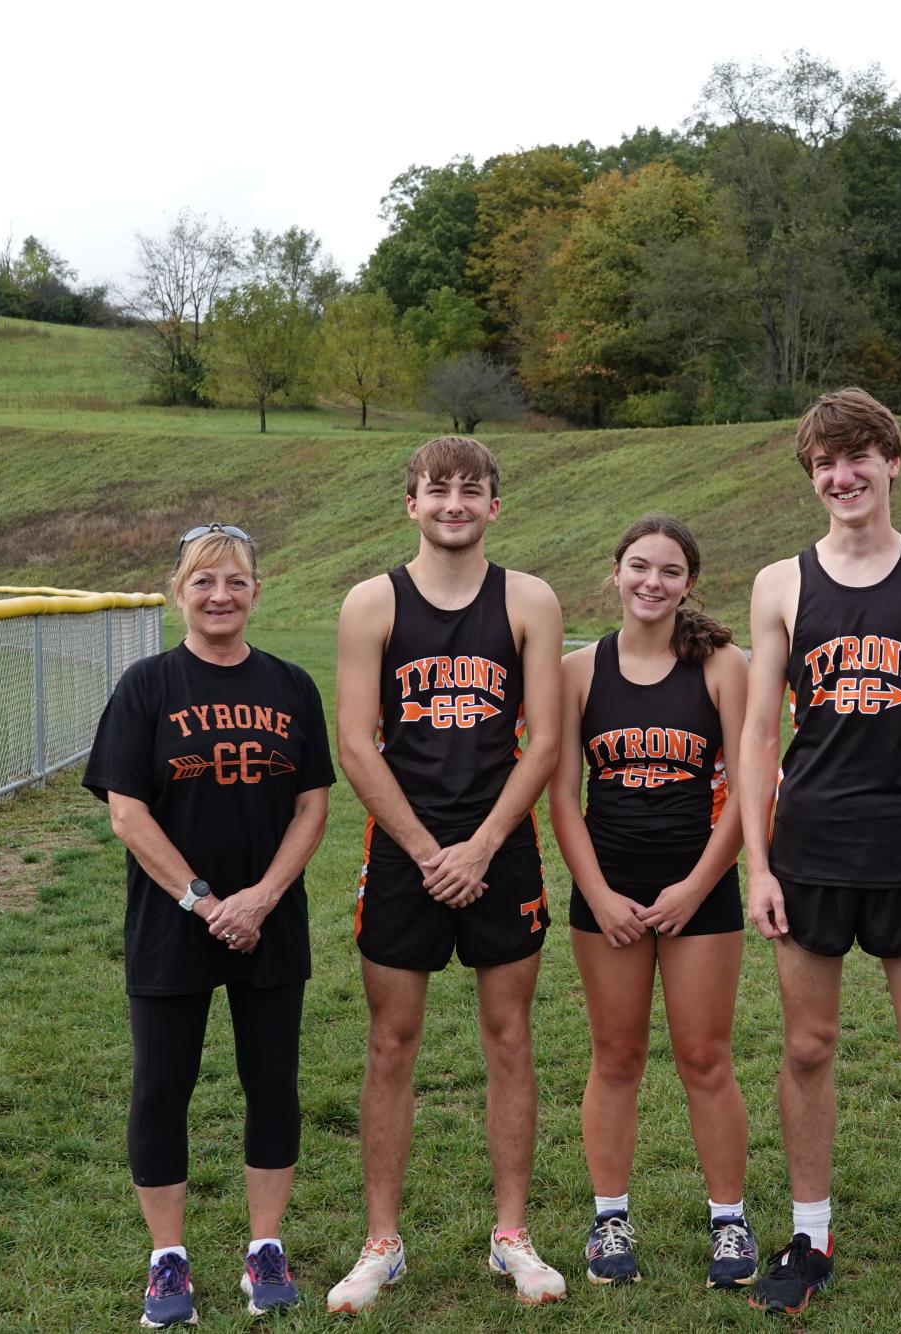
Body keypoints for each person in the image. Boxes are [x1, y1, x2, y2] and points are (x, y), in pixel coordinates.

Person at [735, 388, 901, 1330]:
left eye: (856, 458)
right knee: (806, 1047)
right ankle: (810, 1236)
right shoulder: (779, 583)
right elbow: (760, 731)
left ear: (892, 461)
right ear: (811, 479)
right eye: (822, 465)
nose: (840, 477)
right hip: (806, 850)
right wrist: (757, 866)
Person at [329, 436, 568, 1311]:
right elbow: (355, 742)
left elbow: (544, 739)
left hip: (500, 847)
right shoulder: (371, 603)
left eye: (471, 490)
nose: (454, 503)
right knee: (391, 1044)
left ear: (495, 506)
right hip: (404, 850)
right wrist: (430, 852)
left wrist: (479, 846)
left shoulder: (529, 599)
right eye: (438, 490)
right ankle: (380, 1243)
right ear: (412, 504)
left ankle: (511, 1236)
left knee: (508, 1039)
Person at [82, 523, 332, 1328]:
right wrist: (201, 900)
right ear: (177, 591)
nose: (219, 596)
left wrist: (258, 898)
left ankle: (265, 1248)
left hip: (270, 921)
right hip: (171, 922)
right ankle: (168, 1261)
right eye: (203, 582)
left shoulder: (291, 684)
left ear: (258, 591)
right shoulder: (147, 685)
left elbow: (312, 804)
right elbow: (127, 812)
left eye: (234, 581)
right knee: (162, 1087)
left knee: (272, 1085)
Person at [547, 514, 756, 1291]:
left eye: (669, 571)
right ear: (615, 573)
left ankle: (729, 1223)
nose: (651, 582)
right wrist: (598, 893)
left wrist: (696, 885)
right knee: (617, 1055)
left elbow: (745, 788)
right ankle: (609, 1217)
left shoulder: (722, 666)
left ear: (689, 583)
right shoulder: (578, 672)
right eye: (639, 567)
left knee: (705, 1057)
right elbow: (562, 796)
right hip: (608, 895)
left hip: (697, 888)